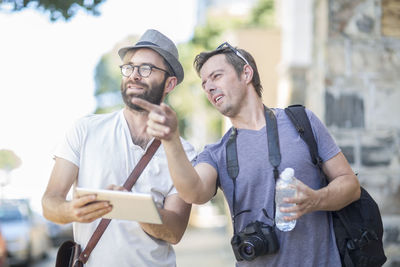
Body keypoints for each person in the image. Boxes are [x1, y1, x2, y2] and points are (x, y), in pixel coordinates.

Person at [131, 42, 361, 266]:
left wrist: (315, 200)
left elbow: (350, 185)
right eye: (204, 83)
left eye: (216, 76)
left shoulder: (302, 122)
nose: (209, 87)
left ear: (246, 73)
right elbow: (193, 193)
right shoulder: (215, 153)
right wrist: (171, 140)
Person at [41, 29, 196, 267]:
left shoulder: (183, 153)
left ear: (169, 83)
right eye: (130, 67)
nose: (134, 75)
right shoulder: (85, 130)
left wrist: (132, 206)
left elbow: (174, 231)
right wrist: (73, 211)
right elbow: (50, 202)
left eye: (146, 69)